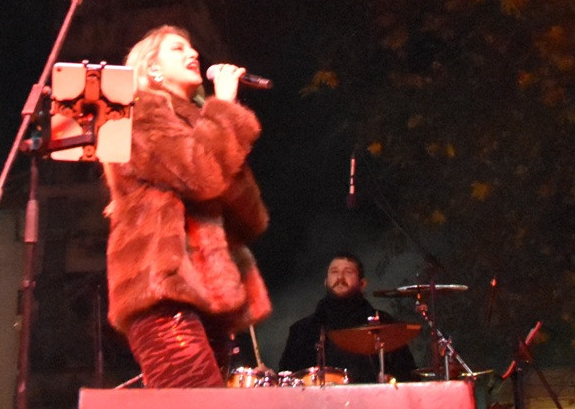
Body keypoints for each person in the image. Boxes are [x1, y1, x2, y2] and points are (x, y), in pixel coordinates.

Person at [102, 25, 271, 388]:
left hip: (212, 301)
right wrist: (225, 108)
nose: (193, 53)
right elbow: (199, 174)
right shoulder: (136, 112)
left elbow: (251, 218)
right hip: (162, 291)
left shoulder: (208, 125)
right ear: (153, 69)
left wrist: (225, 130)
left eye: (193, 48)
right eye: (178, 49)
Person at [278, 253, 418, 383]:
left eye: (348, 272)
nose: (340, 278)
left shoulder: (384, 323)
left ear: (362, 283)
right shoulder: (303, 330)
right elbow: (287, 379)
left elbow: (408, 376)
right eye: (334, 272)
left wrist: (391, 380)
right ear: (326, 282)